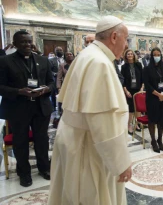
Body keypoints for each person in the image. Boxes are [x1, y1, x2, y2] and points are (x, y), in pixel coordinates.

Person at [48, 16, 132, 204]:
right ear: (114, 36)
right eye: (125, 39)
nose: (126, 45)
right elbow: (103, 123)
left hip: (74, 139)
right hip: (88, 147)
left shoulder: (88, 55)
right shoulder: (99, 63)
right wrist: (121, 164)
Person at [0, 31, 53, 187]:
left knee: (42, 140)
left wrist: (45, 89)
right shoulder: (5, 61)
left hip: (40, 107)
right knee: (20, 141)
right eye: (23, 42)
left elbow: (51, 82)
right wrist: (18, 91)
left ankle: (44, 168)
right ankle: (24, 173)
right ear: (15, 43)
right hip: (18, 108)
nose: (27, 45)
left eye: (29, 41)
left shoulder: (43, 60)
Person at [143, 47, 163, 153]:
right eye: (155, 55)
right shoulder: (147, 69)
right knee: (152, 119)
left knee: (161, 120)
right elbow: (147, 85)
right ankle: (153, 141)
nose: (157, 57)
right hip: (152, 98)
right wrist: (158, 94)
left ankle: (159, 139)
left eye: (158, 55)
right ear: (151, 56)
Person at [121, 49, 143, 135]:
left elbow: (142, 77)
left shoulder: (139, 65)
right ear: (126, 56)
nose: (130, 55)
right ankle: (129, 125)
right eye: (128, 54)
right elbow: (123, 81)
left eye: (131, 54)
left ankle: (137, 124)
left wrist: (142, 88)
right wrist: (126, 91)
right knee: (131, 109)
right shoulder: (124, 67)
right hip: (129, 90)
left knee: (138, 108)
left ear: (134, 55)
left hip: (138, 89)